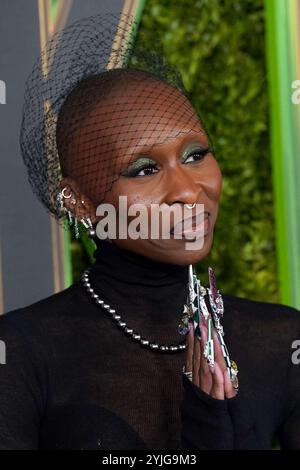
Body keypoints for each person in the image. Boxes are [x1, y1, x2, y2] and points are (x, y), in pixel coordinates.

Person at [0, 14, 300, 450]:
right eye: (145, 169)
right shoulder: (22, 354)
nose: (186, 191)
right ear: (78, 201)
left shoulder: (281, 342)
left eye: (196, 155)